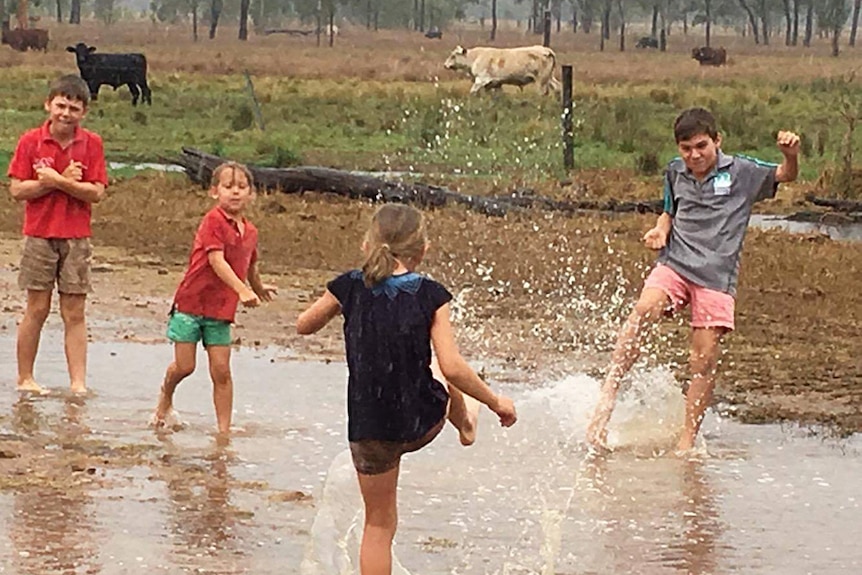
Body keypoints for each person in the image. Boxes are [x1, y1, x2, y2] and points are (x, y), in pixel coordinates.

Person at [296, 203, 517, 575]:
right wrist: (497, 402)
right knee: (438, 366)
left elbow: (303, 326)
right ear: (422, 251)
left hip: (369, 428)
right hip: (420, 420)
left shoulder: (349, 284)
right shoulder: (430, 293)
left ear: (367, 245)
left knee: (378, 525)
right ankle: (466, 423)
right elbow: (453, 367)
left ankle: (464, 421)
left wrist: (342, 303)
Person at [586, 107, 800, 453]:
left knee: (703, 358)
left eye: (701, 146)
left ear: (717, 141)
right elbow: (670, 210)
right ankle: (607, 394)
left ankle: (687, 442)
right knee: (643, 309)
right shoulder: (675, 171)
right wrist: (659, 228)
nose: (694, 156)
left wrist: (790, 155)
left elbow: (785, 175)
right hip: (676, 263)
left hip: (716, 277)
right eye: (686, 149)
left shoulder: (742, 171)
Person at [152, 162, 277, 435]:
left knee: (221, 370)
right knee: (185, 366)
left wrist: (257, 285)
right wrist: (242, 290)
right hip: (191, 303)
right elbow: (216, 260)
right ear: (214, 191)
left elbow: (250, 264)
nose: (235, 193)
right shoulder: (213, 221)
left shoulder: (251, 231)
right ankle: (165, 395)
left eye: (242, 187)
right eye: (228, 187)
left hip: (221, 310)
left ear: (252, 194)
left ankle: (223, 431)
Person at [7, 75, 108, 394]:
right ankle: (25, 378)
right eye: (61, 106)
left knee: (74, 311)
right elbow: (17, 189)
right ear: (48, 105)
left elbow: (96, 193)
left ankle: (78, 383)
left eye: (73, 108)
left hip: (77, 236)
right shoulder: (30, 142)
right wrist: (56, 180)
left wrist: (59, 181)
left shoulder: (92, 144)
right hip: (38, 234)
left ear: (84, 112)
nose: (66, 113)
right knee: (36, 307)